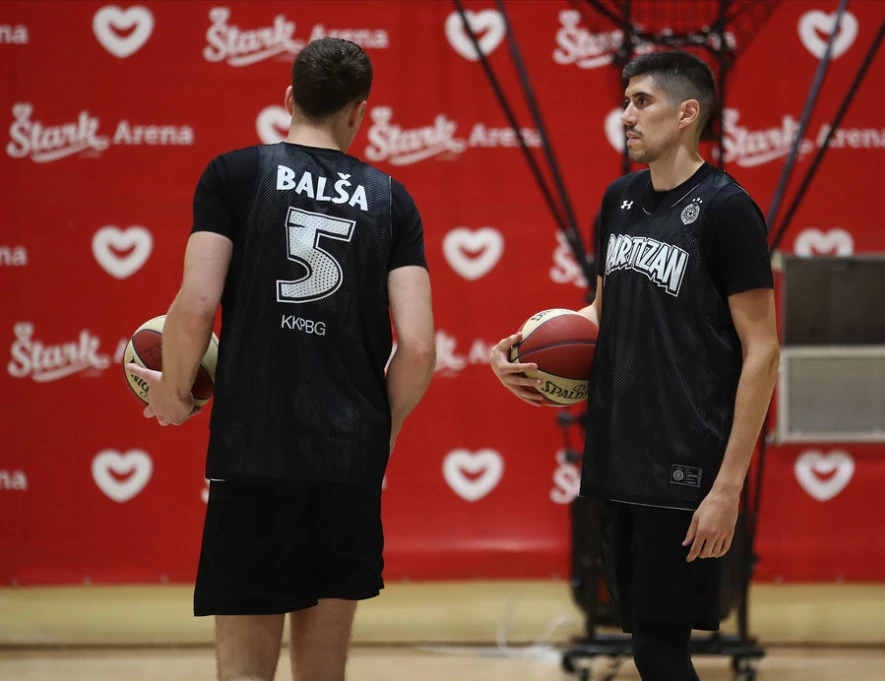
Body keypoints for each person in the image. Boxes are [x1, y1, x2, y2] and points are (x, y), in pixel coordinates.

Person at [126, 38, 436, 681]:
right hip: (348, 459)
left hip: (255, 450)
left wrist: (174, 392)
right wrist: (382, 430)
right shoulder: (392, 197)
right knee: (322, 673)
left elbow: (196, 305)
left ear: (290, 98)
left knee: (245, 673)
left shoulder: (233, 174)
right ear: (359, 112)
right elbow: (418, 345)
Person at [490, 50, 779, 680]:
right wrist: (522, 350)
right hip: (620, 458)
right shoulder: (618, 199)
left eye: (641, 101)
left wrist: (727, 487)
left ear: (687, 113)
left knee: (658, 651)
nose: (626, 115)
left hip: (686, 466)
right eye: (625, 102)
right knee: (648, 645)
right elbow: (601, 311)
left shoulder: (728, 210)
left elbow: (763, 350)